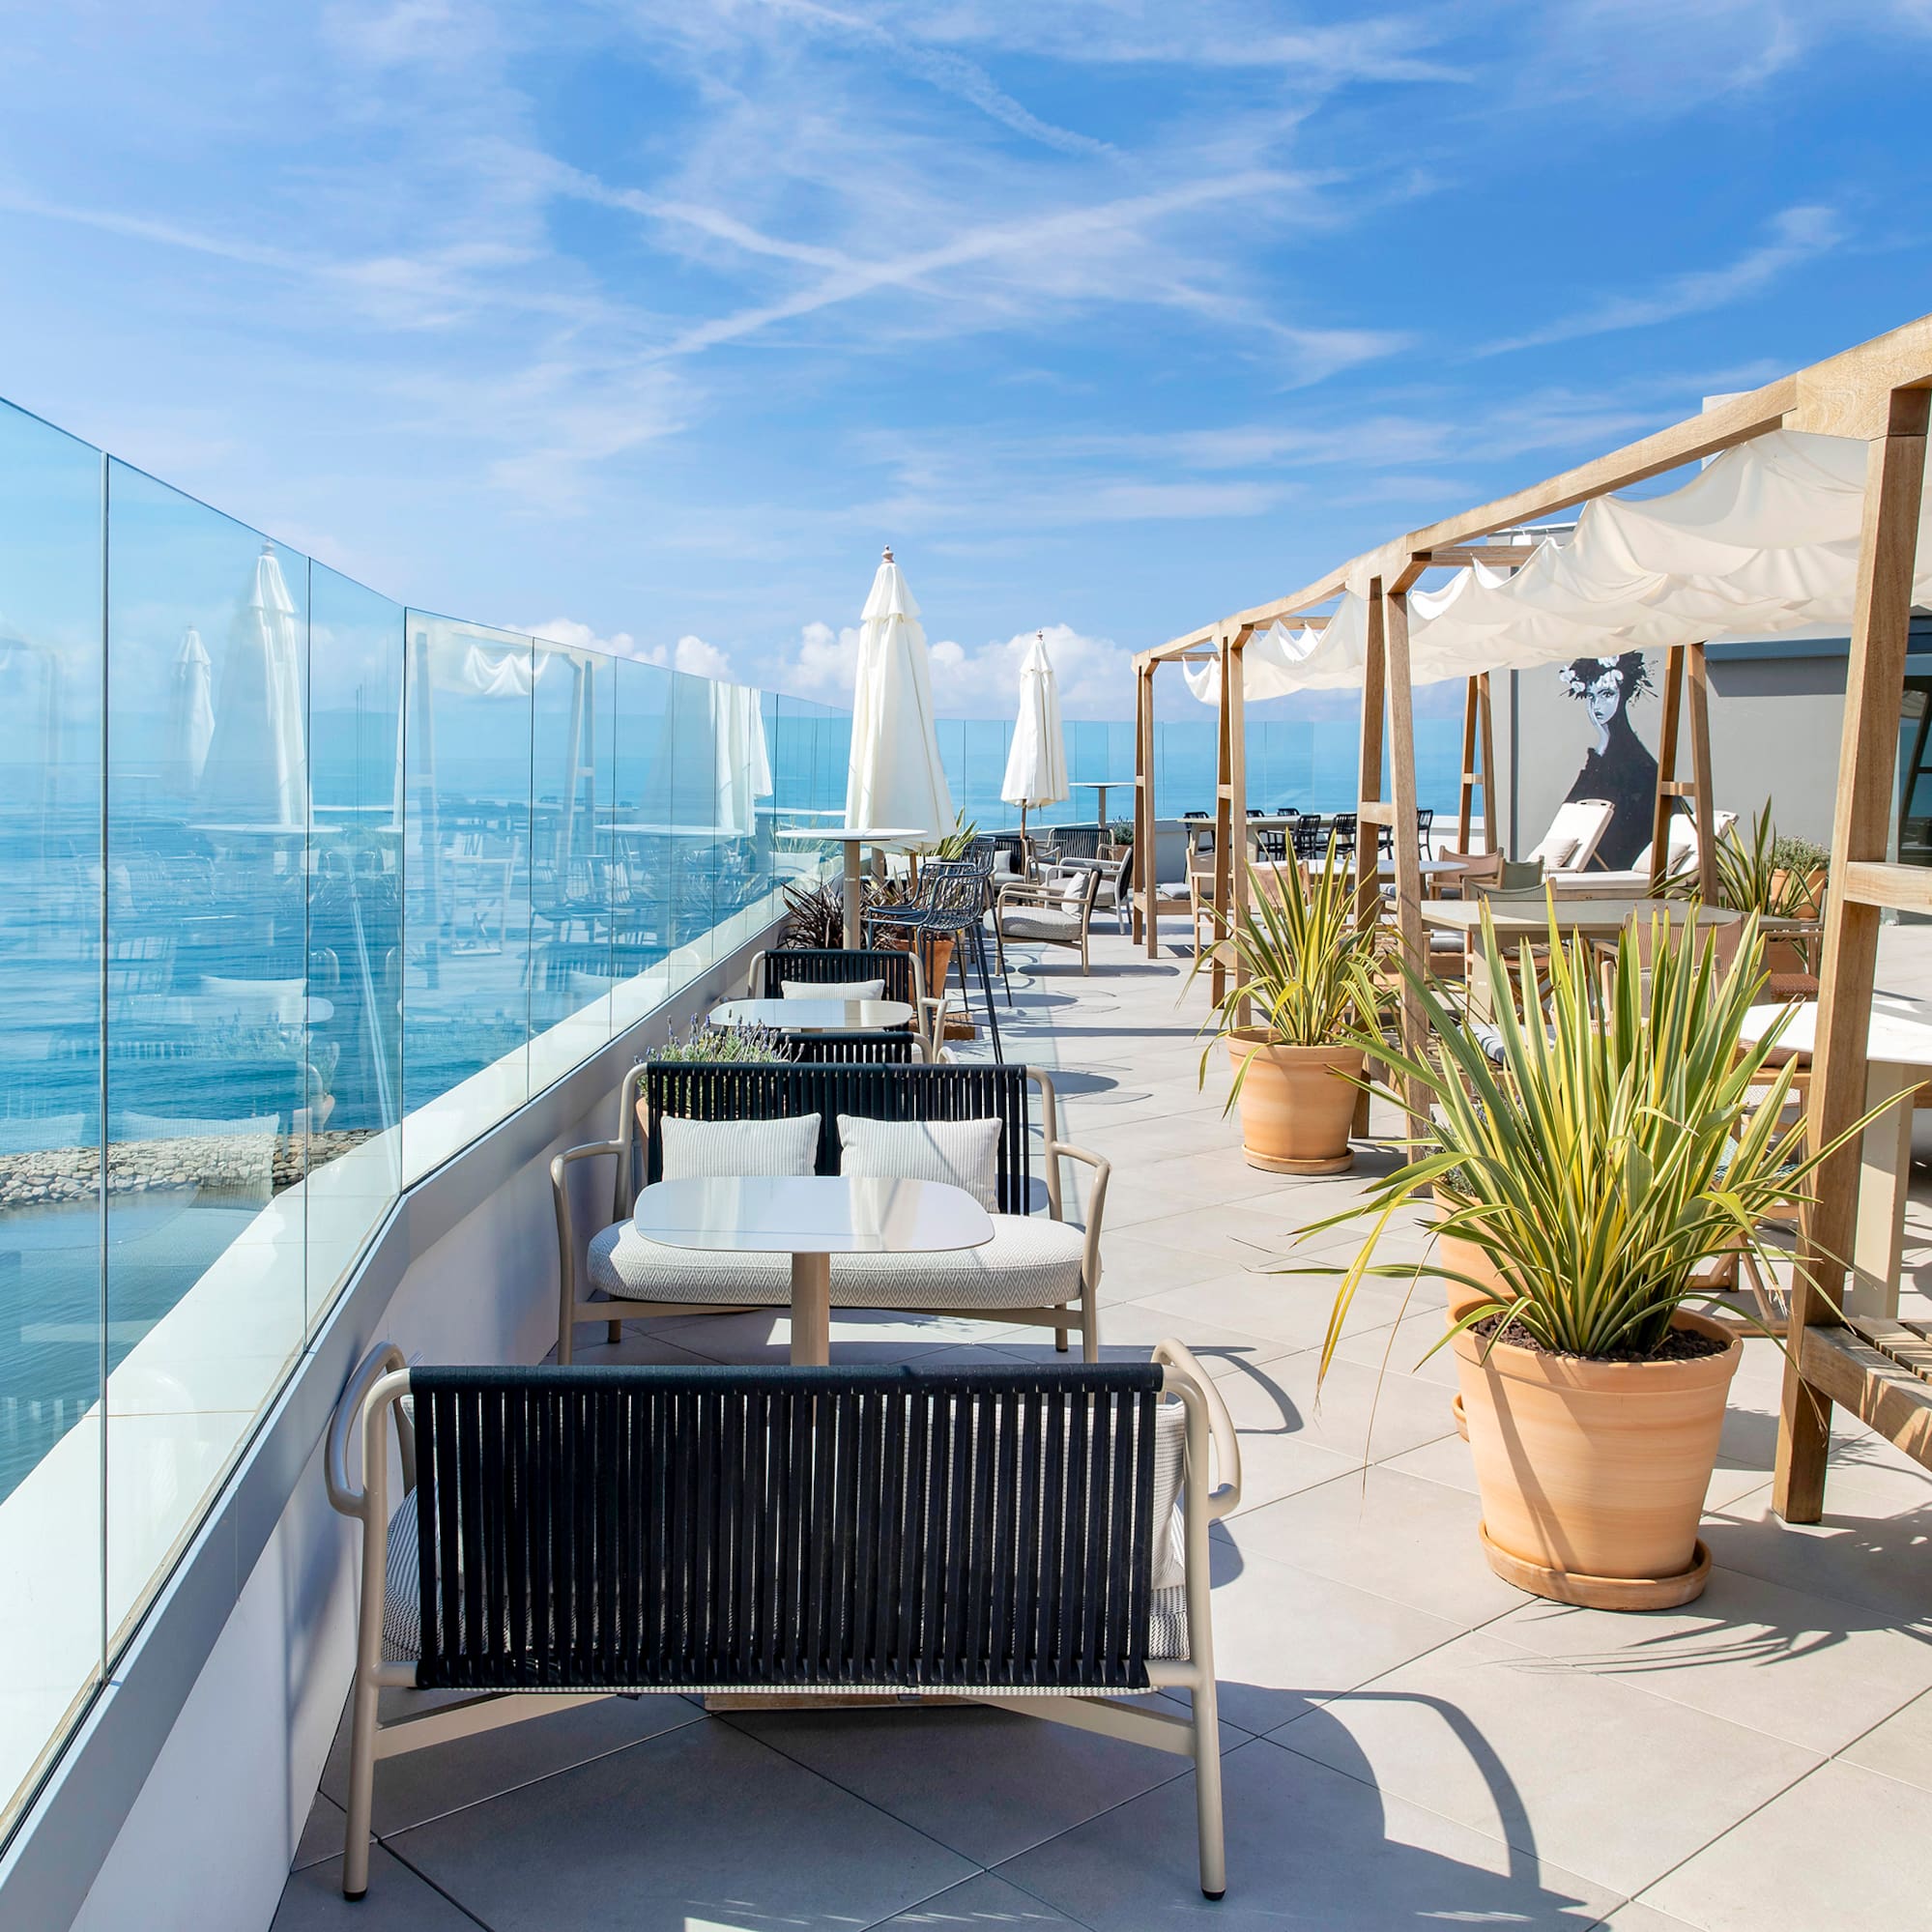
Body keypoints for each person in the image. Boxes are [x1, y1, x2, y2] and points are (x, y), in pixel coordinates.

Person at [1556, 652, 1658, 870]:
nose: (1597, 706)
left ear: (1623, 696)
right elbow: (1572, 808)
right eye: (1592, 697)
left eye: (1606, 694)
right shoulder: (1603, 755)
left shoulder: (1638, 764)